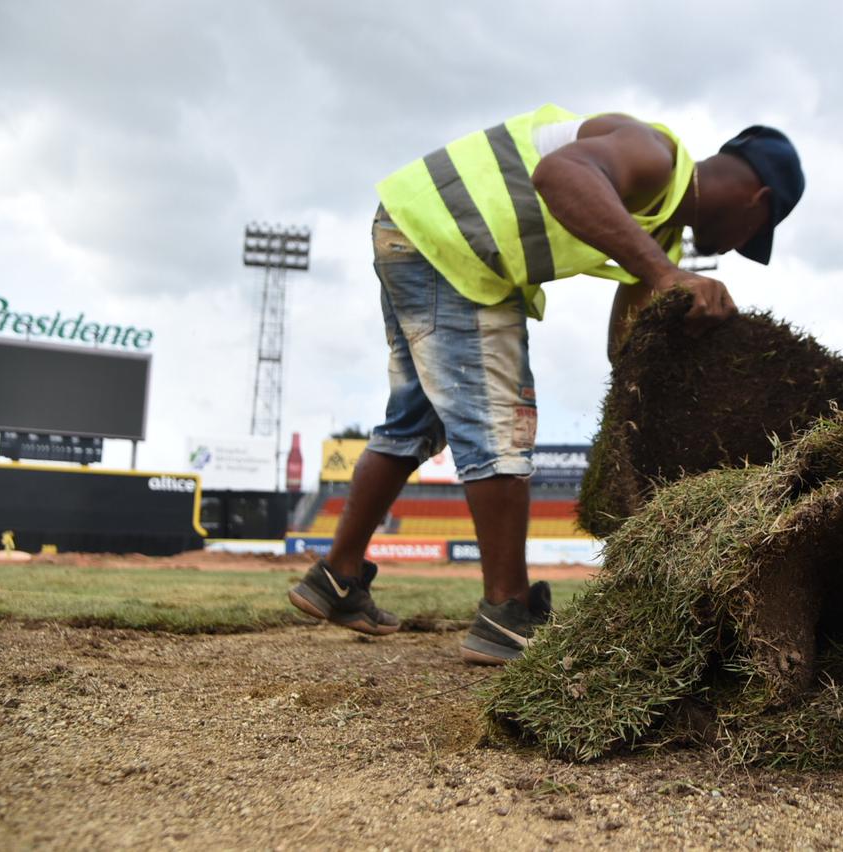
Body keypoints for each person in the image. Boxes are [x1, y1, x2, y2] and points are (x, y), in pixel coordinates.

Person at [289, 104, 804, 664]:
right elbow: (559, 175)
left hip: (419, 231)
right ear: (756, 199)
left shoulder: (661, 235)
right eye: (753, 236)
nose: (734, 249)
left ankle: (336, 578)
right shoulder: (654, 156)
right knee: (501, 423)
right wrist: (663, 273)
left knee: (416, 422)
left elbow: (624, 344)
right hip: (454, 245)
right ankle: (506, 611)